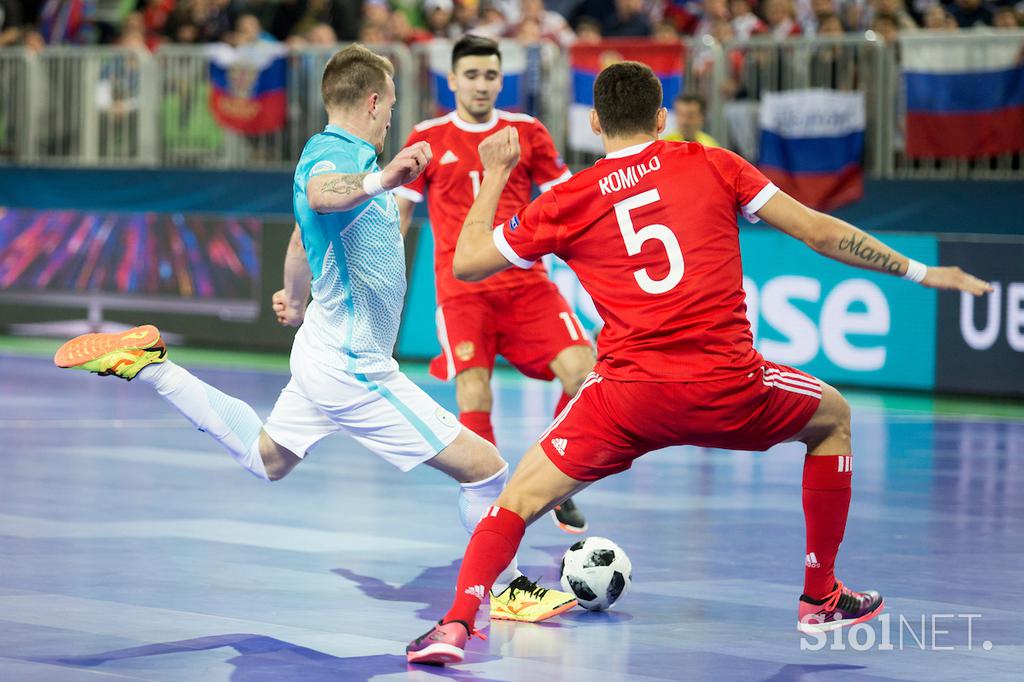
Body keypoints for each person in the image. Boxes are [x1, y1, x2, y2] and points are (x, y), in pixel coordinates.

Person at [405, 60, 993, 665]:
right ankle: (820, 594)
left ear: (595, 124)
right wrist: (922, 270)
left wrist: (497, 173)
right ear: (661, 118)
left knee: (517, 502)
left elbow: (468, 260)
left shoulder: (569, 198)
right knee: (834, 419)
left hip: (626, 399)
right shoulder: (712, 163)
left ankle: (455, 625)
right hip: (729, 388)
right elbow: (818, 232)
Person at [53, 43, 576, 624]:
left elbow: (304, 238)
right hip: (354, 366)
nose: (390, 118)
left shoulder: (332, 152)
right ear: (373, 101)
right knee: (488, 469)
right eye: (390, 106)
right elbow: (321, 196)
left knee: (267, 458)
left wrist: (295, 299)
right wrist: (382, 177)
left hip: (324, 349)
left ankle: (150, 364)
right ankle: (505, 590)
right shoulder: (336, 154)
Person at [394, 35, 595, 537]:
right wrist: (380, 279)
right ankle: (495, 513)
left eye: (490, 76)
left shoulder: (527, 131)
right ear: (453, 80)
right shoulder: (428, 136)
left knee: (586, 373)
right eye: (472, 75)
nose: (481, 85)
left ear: (501, 81)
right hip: (462, 293)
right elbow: (398, 214)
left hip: (527, 285)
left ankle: (550, 478)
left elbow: (567, 200)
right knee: (474, 393)